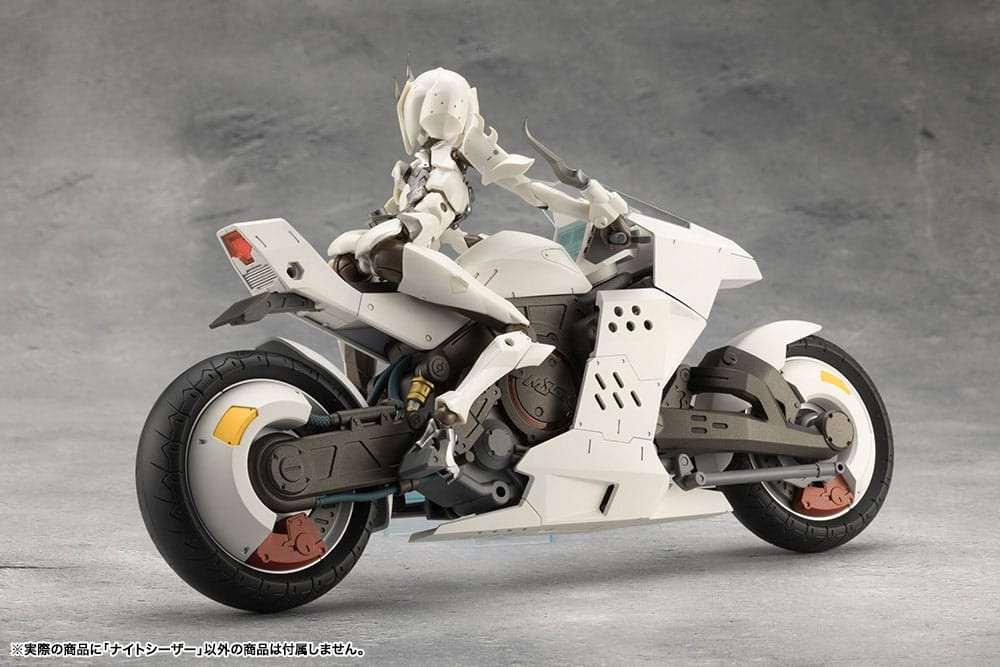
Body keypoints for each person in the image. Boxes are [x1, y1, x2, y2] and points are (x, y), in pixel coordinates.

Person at [328, 67, 629, 433]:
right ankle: (459, 401)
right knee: (518, 330)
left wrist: (463, 239)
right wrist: (590, 208)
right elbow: (529, 190)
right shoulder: (445, 162)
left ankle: (357, 396)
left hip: (380, 250)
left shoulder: (415, 171)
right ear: (459, 109)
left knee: (356, 308)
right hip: (399, 250)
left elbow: (431, 214)